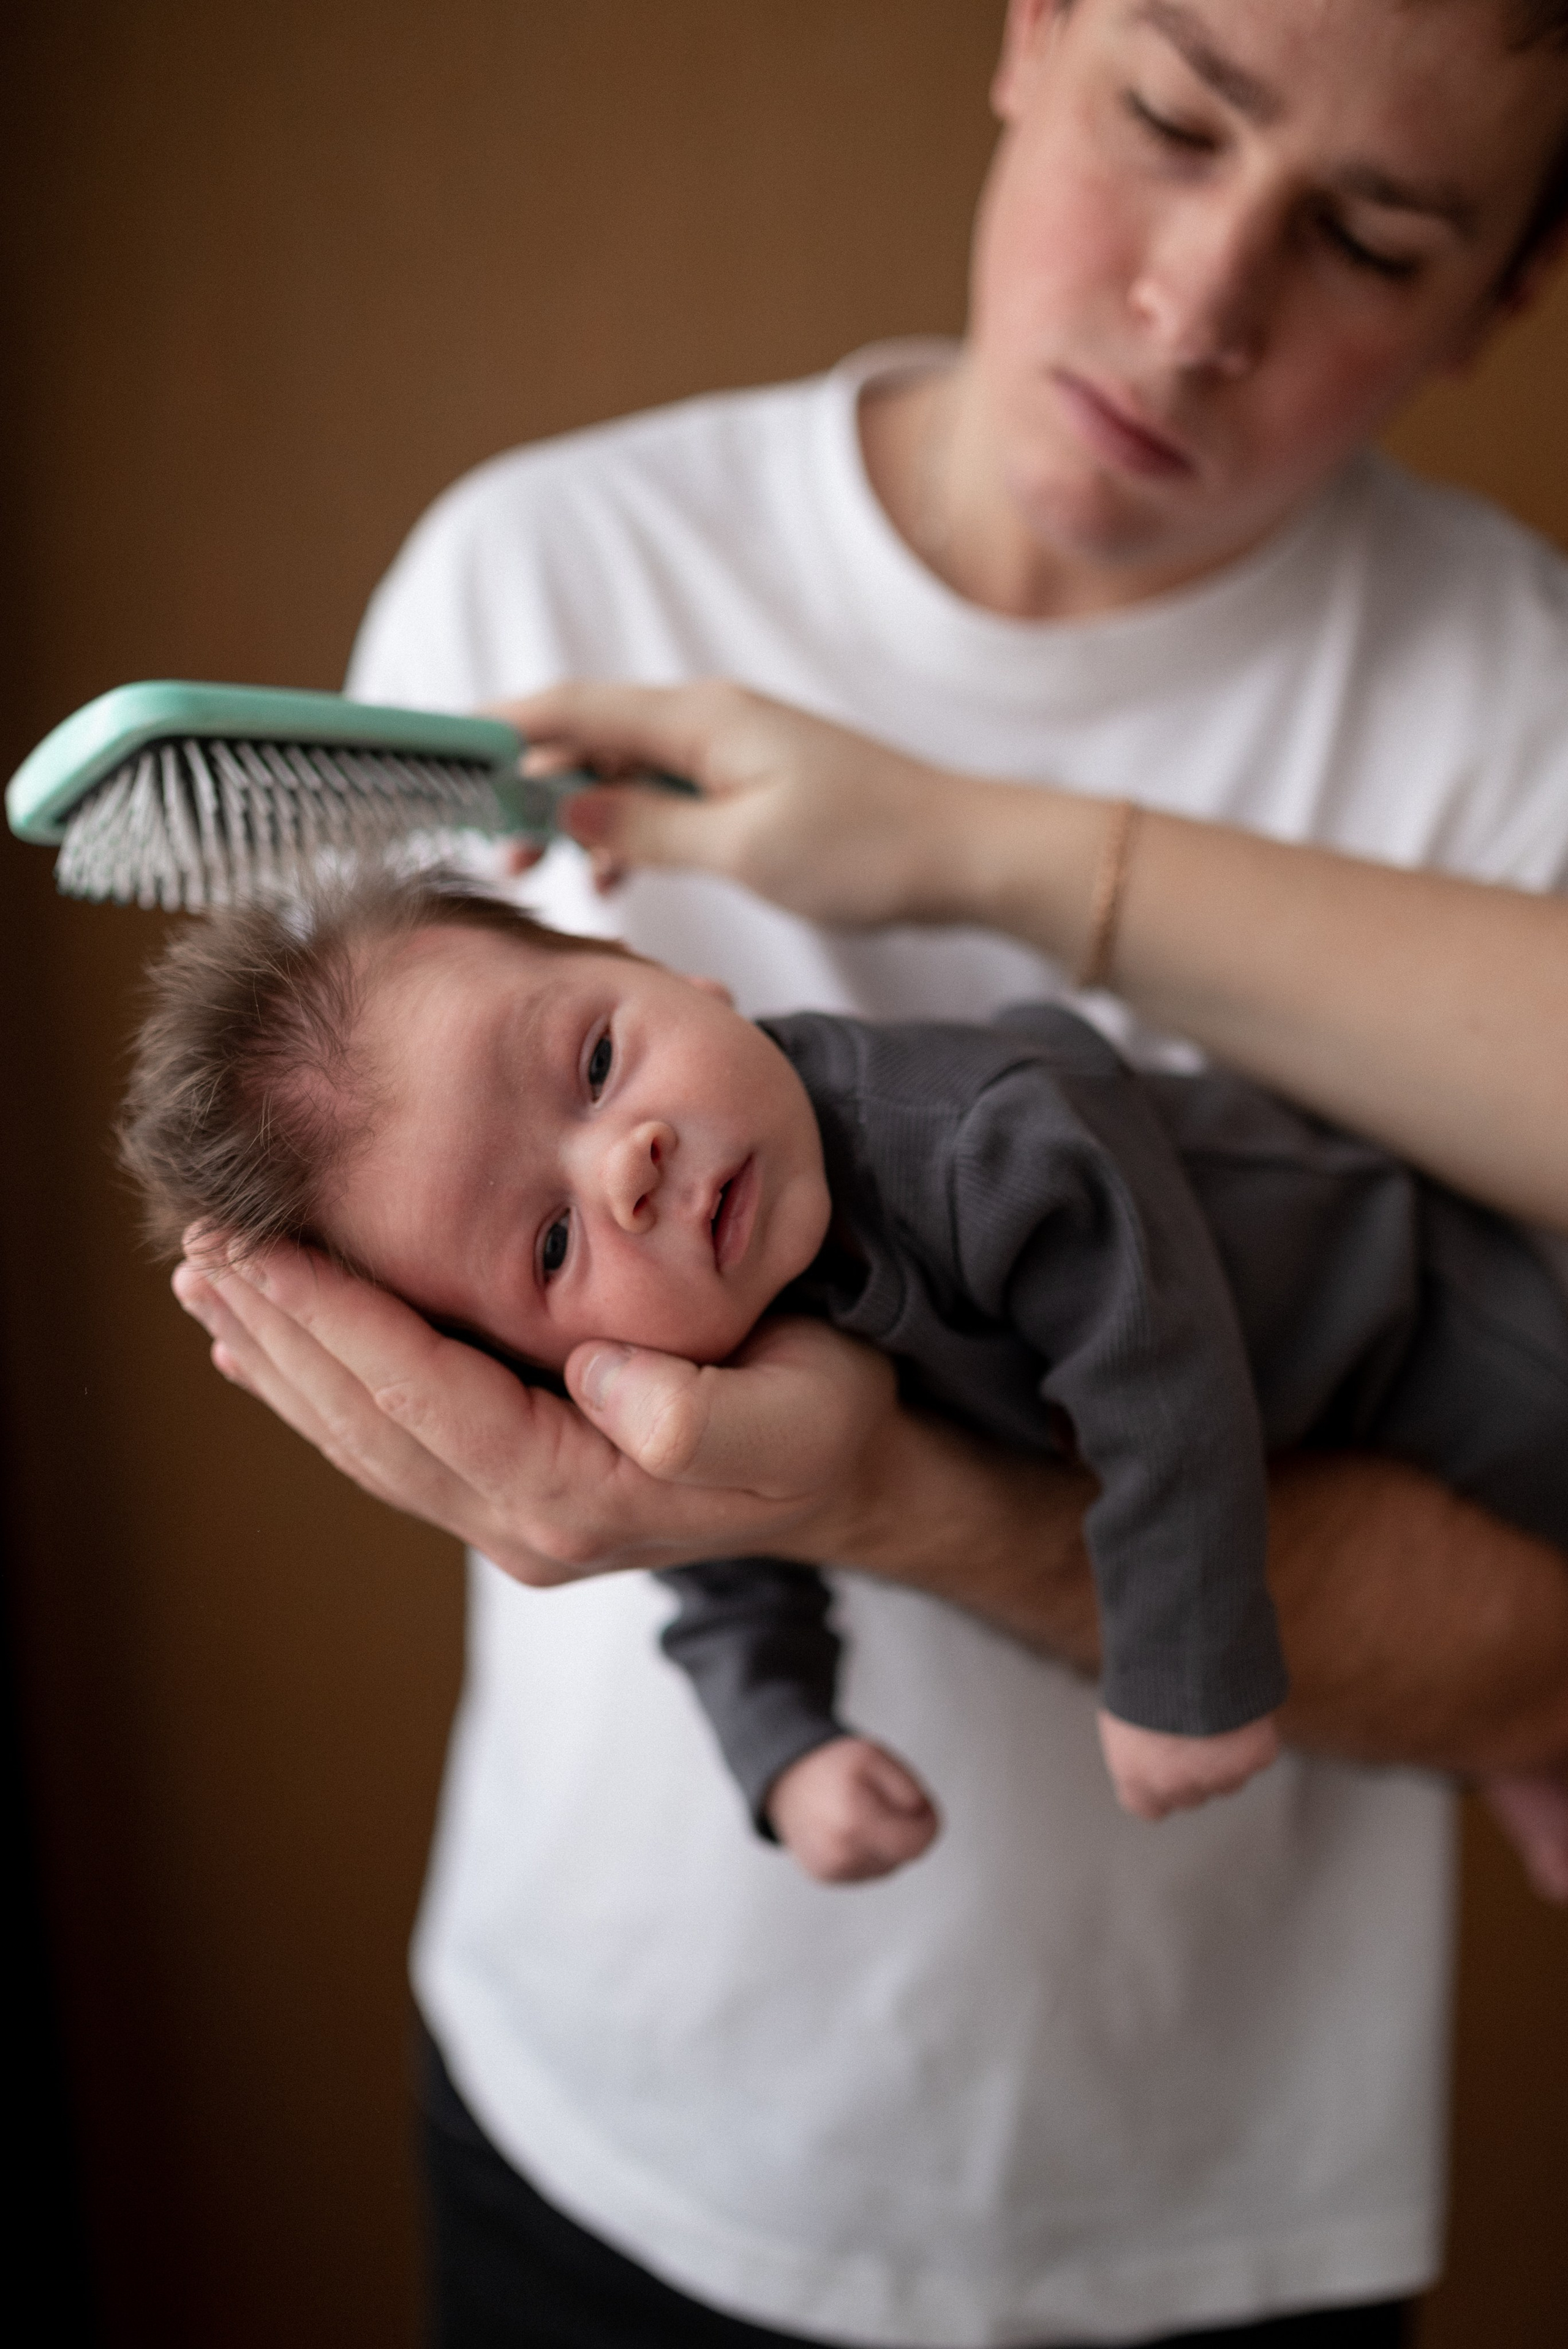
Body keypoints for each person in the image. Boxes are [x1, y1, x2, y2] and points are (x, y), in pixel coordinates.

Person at [173, 3, 1568, 2342]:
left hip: (1201, 2202)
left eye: (1373, 232)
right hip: (597, 2109)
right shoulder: (531, 584)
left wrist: (972, 850)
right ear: (1028, 31)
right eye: (1171, 118)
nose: (1197, 302)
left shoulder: (1514, 706)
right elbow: (600, 1492)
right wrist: (787, 1718)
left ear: (1506, 292)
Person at [127, 875, 1568, 1884]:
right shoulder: (706, 1336)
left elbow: (1159, 1372)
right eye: (551, 1241)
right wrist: (786, 1750)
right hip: (1293, 1414)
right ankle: (1505, 1757)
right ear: (551, 1368)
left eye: (598, 1058)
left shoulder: (977, 1133)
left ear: (676, 978)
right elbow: (713, 1553)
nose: (624, 1162)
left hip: (1392, 1293)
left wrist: (1180, 1669)